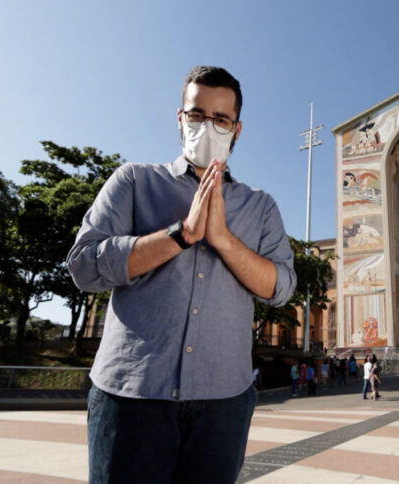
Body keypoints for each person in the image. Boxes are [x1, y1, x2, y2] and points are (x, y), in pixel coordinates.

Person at [67, 66, 296, 484]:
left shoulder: (261, 206)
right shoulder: (134, 181)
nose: (207, 127)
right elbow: (84, 265)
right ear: (179, 117)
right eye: (196, 115)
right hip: (131, 394)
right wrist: (181, 235)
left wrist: (224, 239)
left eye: (220, 119)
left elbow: (280, 287)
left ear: (236, 129)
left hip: (223, 401)